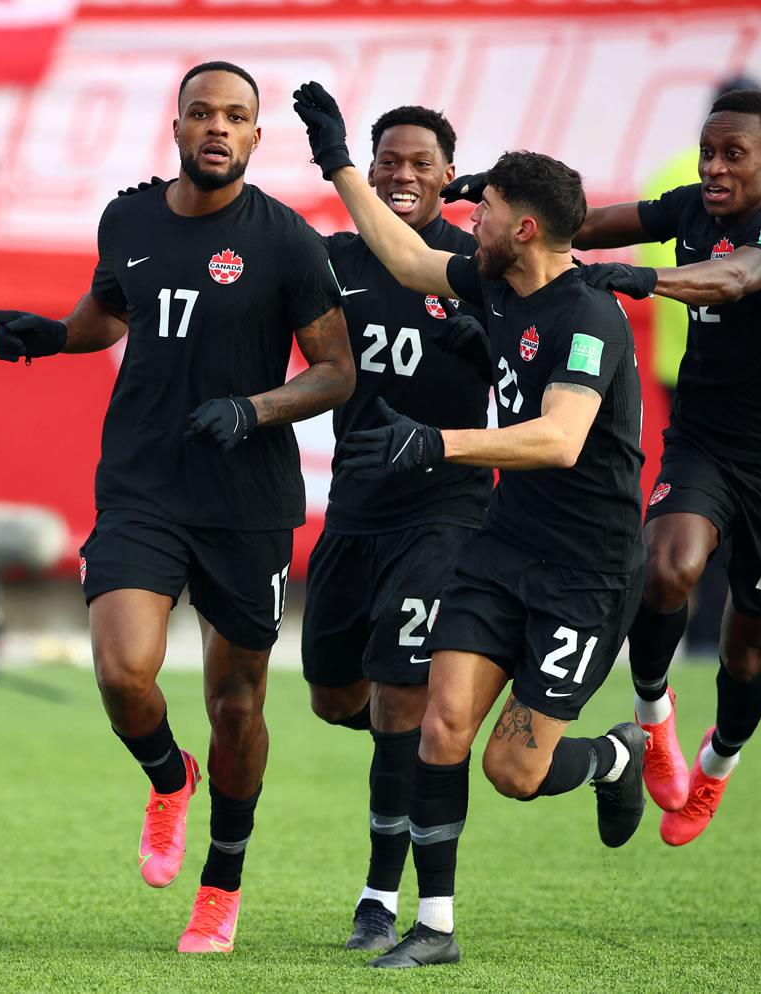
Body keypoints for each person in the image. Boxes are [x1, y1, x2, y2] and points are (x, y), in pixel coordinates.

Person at [0, 62, 354, 955]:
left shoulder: (291, 242)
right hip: (142, 483)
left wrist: (253, 410)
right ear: (175, 125)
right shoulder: (128, 218)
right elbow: (111, 311)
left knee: (236, 706)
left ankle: (220, 886)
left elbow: (338, 372)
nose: (218, 127)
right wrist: (56, 335)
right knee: (123, 672)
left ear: (258, 138)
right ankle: (166, 777)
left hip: (247, 501)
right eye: (202, 113)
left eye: (237, 117)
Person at [293, 81, 648, 969]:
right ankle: (435, 929)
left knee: (511, 772)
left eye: (479, 208)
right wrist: (339, 163)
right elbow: (407, 260)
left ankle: (613, 756)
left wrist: (435, 443)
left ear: (522, 228)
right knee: (439, 727)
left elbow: (561, 440)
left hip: (586, 570)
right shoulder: (493, 288)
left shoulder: (588, 317)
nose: (465, 219)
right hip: (500, 551)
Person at [572, 89, 761, 846]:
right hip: (706, 442)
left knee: (746, 647)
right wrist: (507, 201)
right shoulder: (692, 207)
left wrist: (642, 280)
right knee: (664, 568)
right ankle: (655, 721)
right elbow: (586, 224)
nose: (714, 168)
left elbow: (733, 279)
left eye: (733, 155)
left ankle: (717, 769)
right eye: (707, 151)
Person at [300, 105, 492, 952]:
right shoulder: (332, 261)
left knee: (400, 703)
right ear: (369, 172)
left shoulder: (477, 267)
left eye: (421, 162)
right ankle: (414, 731)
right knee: (336, 696)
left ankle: (379, 897)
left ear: (450, 174)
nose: (403, 175)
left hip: (444, 510)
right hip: (354, 509)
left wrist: (494, 343)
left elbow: (539, 357)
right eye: (388, 162)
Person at [638, 74, 761, 656]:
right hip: (711, 374)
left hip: (680, 363)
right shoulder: (711, 187)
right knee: (719, 503)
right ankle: (712, 628)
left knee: (704, 502)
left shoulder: (675, 176)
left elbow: (653, 265)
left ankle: (707, 629)